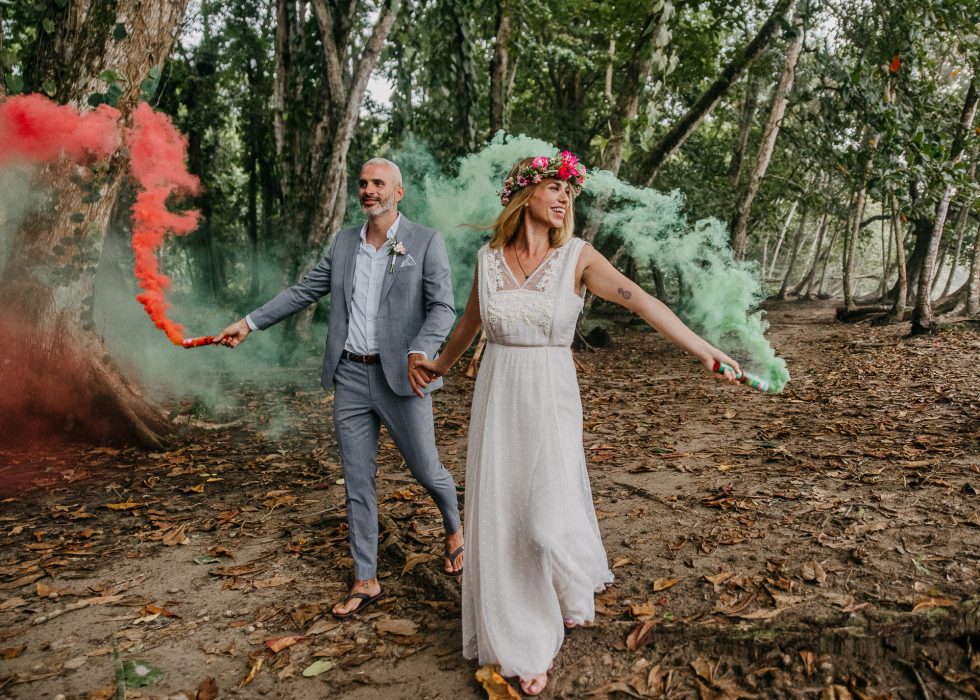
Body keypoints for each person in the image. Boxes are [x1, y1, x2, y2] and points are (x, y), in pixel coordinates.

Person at [413, 152, 741, 695]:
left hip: (550, 397)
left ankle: (564, 588)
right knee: (505, 515)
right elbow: (470, 322)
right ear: (524, 195)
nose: (565, 197)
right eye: (554, 186)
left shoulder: (578, 257)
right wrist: (440, 365)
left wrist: (704, 350)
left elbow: (642, 301)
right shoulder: (488, 260)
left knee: (547, 521)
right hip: (498, 398)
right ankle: (524, 637)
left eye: (570, 190)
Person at [218, 158, 464, 619]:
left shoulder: (426, 241)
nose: (369, 190)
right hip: (350, 376)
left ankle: (454, 528)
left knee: (427, 471)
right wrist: (249, 323)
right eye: (363, 183)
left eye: (378, 183)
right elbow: (303, 291)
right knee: (357, 480)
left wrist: (420, 349)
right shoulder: (345, 242)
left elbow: (443, 308)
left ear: (398, 192)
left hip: (403, 377)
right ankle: (365, 578)